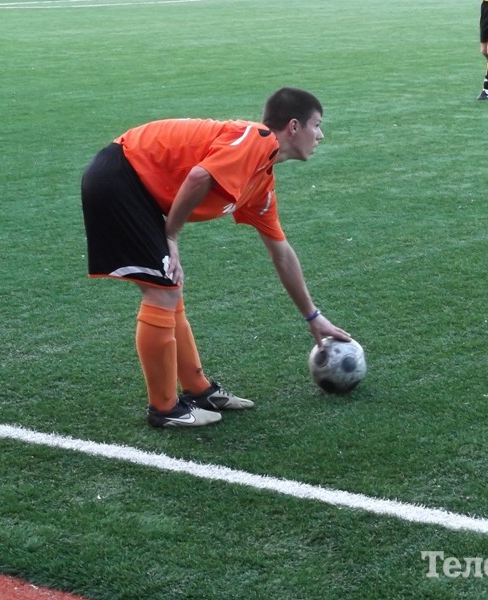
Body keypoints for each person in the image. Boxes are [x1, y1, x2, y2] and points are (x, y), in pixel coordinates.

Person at [81, 88, 351, 428]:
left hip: (132, 181)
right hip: (120, 176)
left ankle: (198, 390)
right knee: (161, 292)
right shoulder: (257, 139)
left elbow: (281, 254)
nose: (320, 135)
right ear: (294, 126)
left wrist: (313, 316)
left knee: (170, 288)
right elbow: (199, 176)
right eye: (317, 125)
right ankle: (164, 409)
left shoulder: (260, 183)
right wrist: (171, 235)